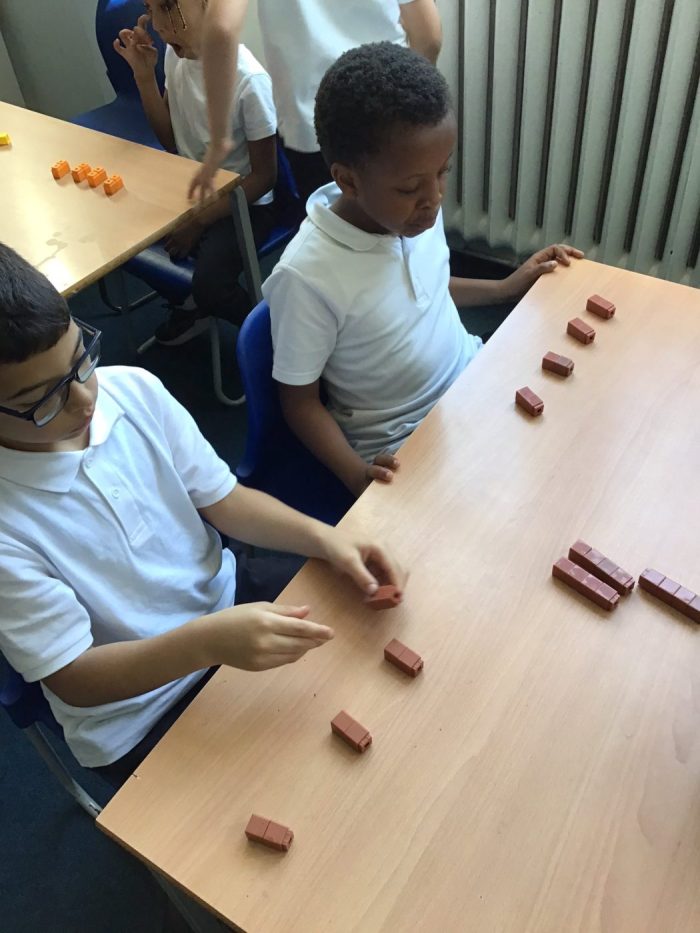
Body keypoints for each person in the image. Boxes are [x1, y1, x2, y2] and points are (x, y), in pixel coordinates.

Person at [0, 243, 403, 788]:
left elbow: (226, 501)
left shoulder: (132, 391)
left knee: (372, 648)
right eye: (42, 399)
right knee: (298, 792)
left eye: (80, 359)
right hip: (140, 711)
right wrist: (207, 643)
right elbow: (72, 678)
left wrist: (327, 538)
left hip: (226, 603)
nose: (83, 400)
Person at [263, 43, 584, 499]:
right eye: (411, 186)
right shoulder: (306, 277)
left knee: (574, 450)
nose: (434, 198)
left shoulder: (408, 214)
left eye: (442, 172)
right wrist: (355, 474)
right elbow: (299, 404)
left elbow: (424, 290)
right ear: (348, 181)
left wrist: (505, 288)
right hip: (404, 438)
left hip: (471, 377)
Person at [114, 1, 278, 344]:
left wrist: (199, 221)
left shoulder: (248, 79)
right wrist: (144, 78)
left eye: (167, 8)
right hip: (192, 185)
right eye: (150, 9)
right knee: (124, 232)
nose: (158, 25)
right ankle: (193, 305)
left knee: (211, 284)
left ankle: (274, 338)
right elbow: (170, 139)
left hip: (242, 202)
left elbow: (264, 177)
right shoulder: (175, 57)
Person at [189, 0, 443, 202]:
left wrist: (220, 139)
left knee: (334, 234)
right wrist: (412, 105)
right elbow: (429, 37)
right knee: (406, 222)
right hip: (392, 111)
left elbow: (221, 29)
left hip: (313, 125)